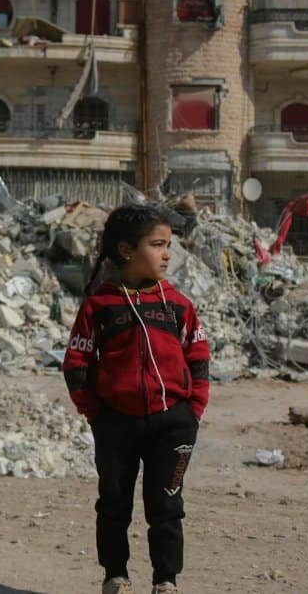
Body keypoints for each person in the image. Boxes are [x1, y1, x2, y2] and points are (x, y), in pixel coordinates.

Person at [62, 204, 211, 594]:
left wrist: (192, 410)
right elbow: (76, 362)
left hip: (173, 424)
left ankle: (166, 581)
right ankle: (116, 575)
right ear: (127, 251)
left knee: (166, 507)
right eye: (158, 245)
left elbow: (197, 355)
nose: (167, 254)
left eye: (169, 245)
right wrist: (95, 413)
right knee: (114, 503)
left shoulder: (178, 305)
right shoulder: (100, 306)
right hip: (116, 425)